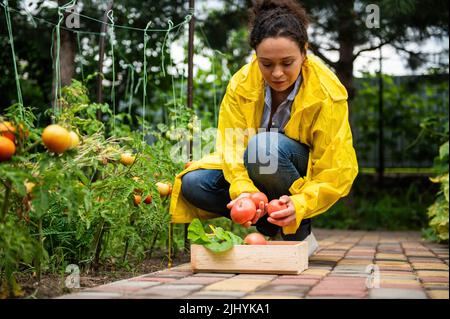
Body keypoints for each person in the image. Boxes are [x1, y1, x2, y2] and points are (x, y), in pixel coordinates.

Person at [169, 0, 358, 253]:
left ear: (304, 52)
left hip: (299, 173)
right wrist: (246, 193)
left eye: (287, 62)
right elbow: (232, 146)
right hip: (256, 168)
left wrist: (300, 203)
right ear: (255, 56)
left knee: (263, 147)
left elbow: (336, 169)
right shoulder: (241, 83)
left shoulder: (327, 92)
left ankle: (297, 233)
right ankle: (270, 222)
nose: (277, 73)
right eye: (266, 64)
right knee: (193, 183)